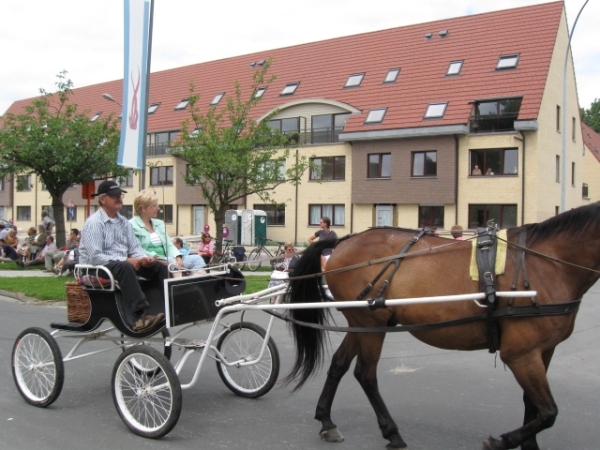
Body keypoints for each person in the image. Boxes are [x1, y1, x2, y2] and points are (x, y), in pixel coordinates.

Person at [79, 180, 167, 333]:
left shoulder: (123, 222)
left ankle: (168, 307)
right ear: (102, 199)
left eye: (120, 195)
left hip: (119, 266)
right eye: (115, 196)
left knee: (159, 267)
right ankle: (140, 317)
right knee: (125, 267)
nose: (119, 198)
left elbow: (135, 248)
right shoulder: (94, 223)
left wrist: (142, 259)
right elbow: (95, 257)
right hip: (96, 267)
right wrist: (127, 261)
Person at [129, 190, 206, 273]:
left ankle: (195, 284)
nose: (158, 208)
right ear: (143, 208)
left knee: (197, 259)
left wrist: (178, 257)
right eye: (154, 205)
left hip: (170, 259)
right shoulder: (131, 225)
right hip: (151, 262)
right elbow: (137, 250)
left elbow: (169, 244)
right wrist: (156, 257)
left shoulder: (159, 223)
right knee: (170, 262)